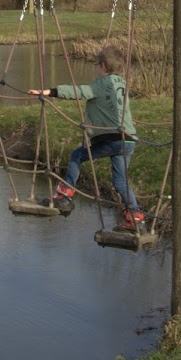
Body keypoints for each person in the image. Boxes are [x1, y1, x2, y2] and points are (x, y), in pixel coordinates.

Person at [27, 44, 145, 232]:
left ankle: (65, 196)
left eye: (98, 65)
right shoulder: (121, 83)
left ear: (104, 67)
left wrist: (50, 92)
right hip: (128, 139)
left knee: (77, 155)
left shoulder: (101, 83)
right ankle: (136, 217)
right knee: (120, 181)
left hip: (112, 138)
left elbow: (79, 91)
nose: (97, 69)